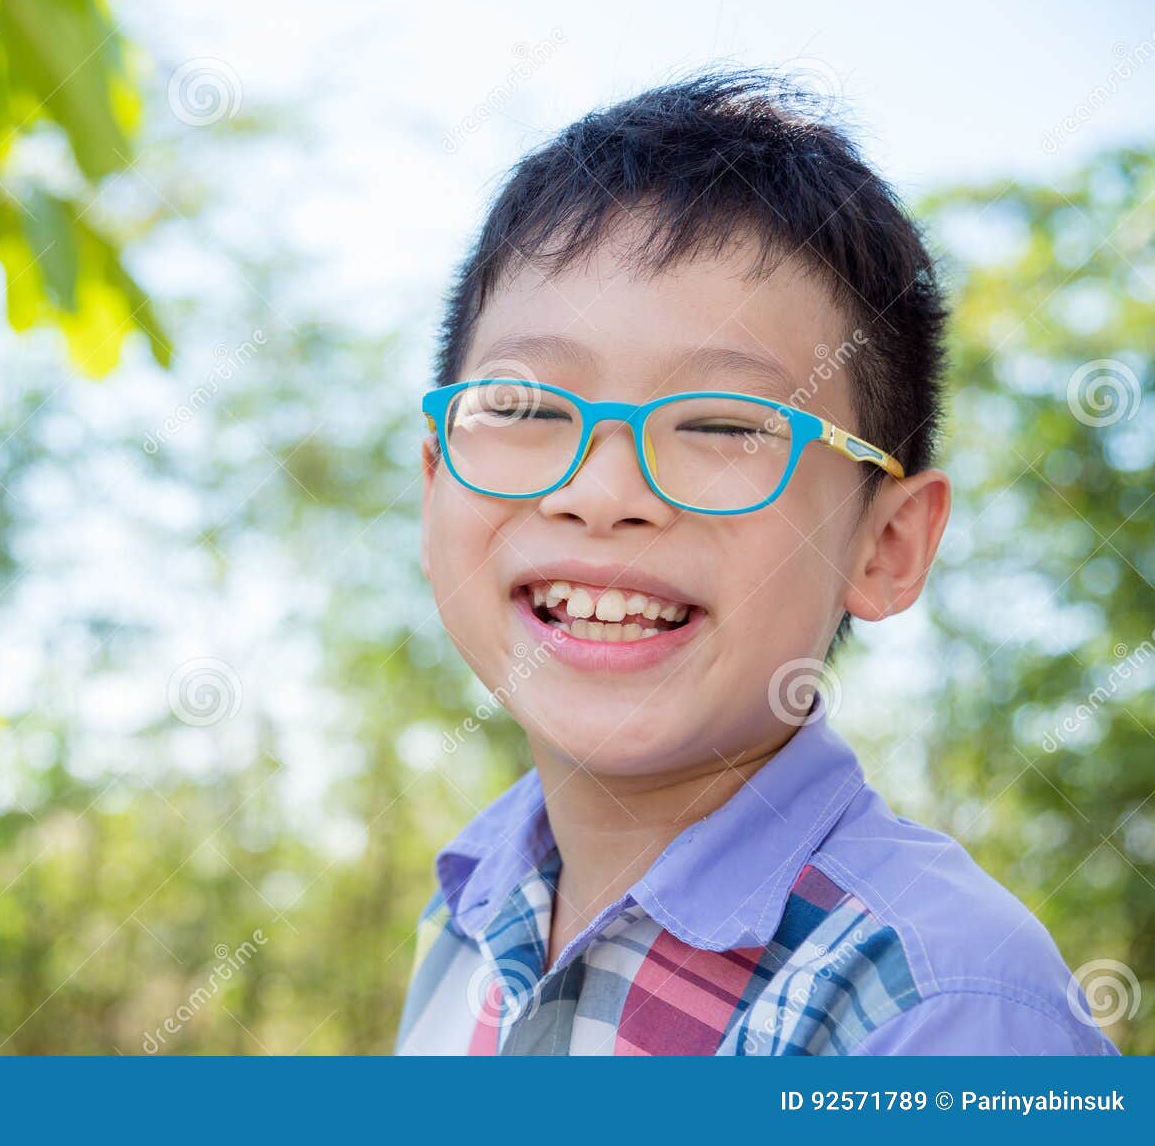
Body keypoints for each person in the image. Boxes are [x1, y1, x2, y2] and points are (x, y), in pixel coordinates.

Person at [396, 69, 1118, 1056]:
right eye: (525, 407)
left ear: (886, 545)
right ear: (435, 479)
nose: (602, 493)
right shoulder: (467, 909)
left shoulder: (942, 1008)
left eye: (725, 423)